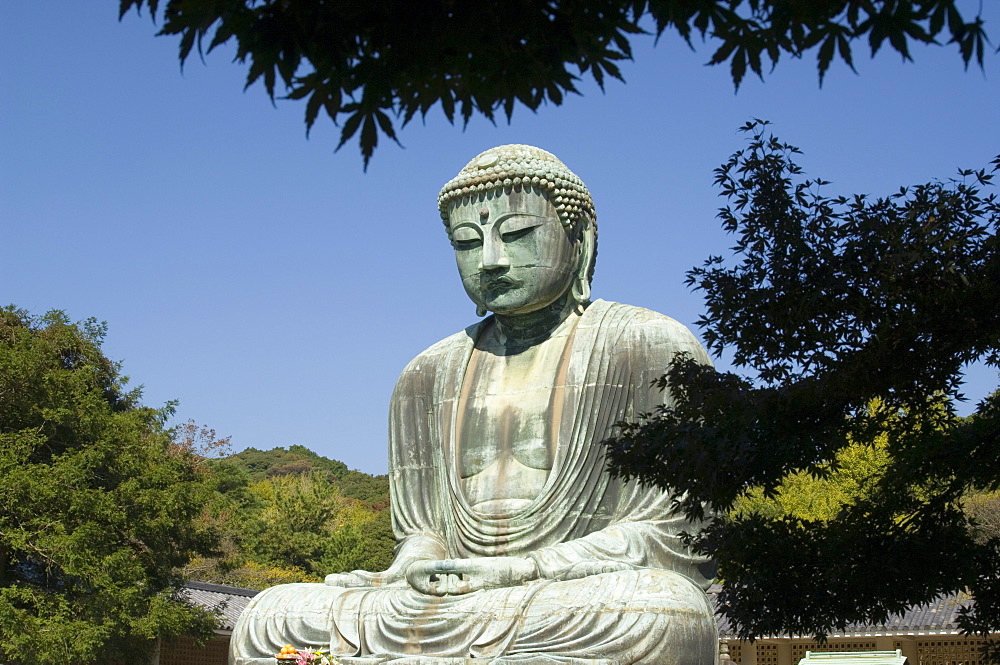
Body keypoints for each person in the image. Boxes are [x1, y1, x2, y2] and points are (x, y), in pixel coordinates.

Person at [231, 145, 719, 665]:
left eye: (516, 234)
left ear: (580, 241)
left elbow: (681, 531)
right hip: (448, 605)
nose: (491, 259)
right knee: (269, 615)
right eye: (467, 242)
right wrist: (415, 562)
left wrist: (523, 570)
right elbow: (424, 531)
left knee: (663, 612)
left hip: (566, 593)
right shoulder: (425, 374)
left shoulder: (648, 346)